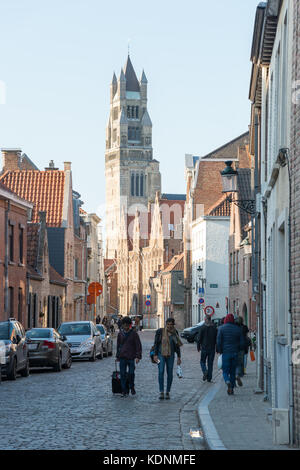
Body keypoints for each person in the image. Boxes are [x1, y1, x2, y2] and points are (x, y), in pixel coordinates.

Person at [153, 317, 183, 400]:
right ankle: (161, 391)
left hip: (171, 355)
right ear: (166, 324)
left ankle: (168, 391)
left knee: (170, 373)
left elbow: (177, 346)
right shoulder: (160, 332)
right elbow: (156, 343)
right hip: (160, 355)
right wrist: (155, 355)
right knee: (161, 371)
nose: (169, 326)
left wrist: (179, 357)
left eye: (171, 324)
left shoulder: (175, 333)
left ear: (173, 325)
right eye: (168, 324)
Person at [216, 313, 245, 395]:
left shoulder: (221, 329)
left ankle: (227, 381)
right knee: (232, 371)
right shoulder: (238, 329)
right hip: (235, 352)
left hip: (226, 352)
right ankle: (231, 388)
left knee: (225, 371)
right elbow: (242, 342)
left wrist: (220, 350)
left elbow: (218, 341)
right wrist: (238, 349)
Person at [116, 316, 142, 397]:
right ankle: (124, 390)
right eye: (125, 325)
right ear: (123, 325)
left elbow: (138, 346)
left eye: (128, 325)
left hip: (131, 357)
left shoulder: (134, 334)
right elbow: (118, 346)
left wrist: (138, 356)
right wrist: (117, 356)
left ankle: (132, 386)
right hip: (122, 357)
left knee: (131, 374)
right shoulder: (120, 334)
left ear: (130, 325)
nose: (126, 326)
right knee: (123, 374)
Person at [196, 315, 217, 383]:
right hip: (212, 348)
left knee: (202, 361)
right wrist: (217, 347)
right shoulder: (214, 327)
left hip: (204, 348)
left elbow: (199, 338)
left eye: (205, 319)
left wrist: (198, 347)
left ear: (206, 319)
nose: (204, 320)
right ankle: (209, 378)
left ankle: (205, 371)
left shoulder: (202, 328)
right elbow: (217, 338)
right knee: (210, 363)